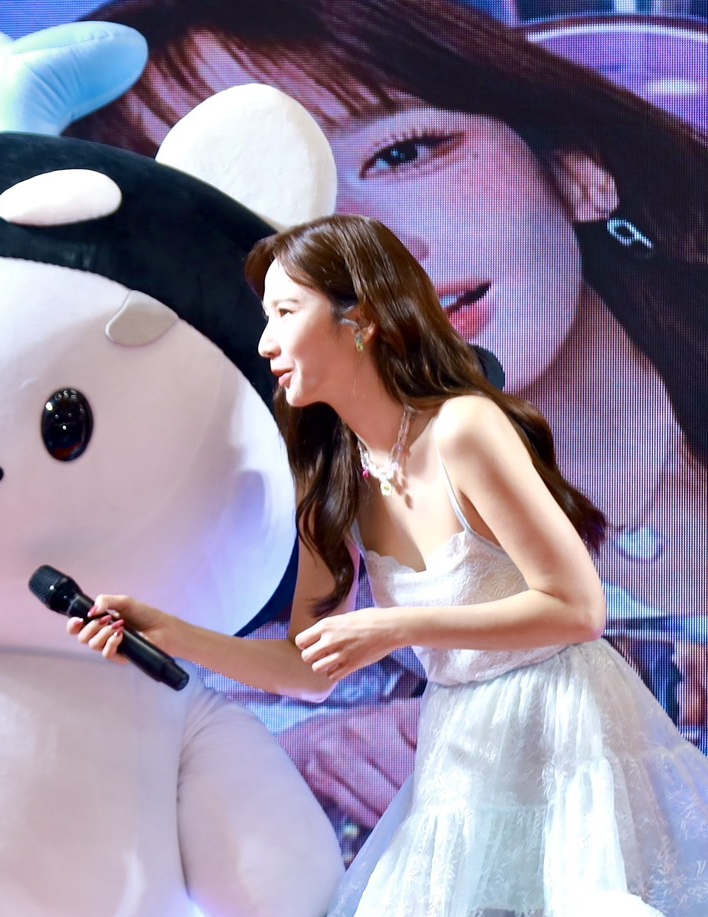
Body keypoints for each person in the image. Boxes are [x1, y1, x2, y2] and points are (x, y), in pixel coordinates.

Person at [70, 0, 708, 835]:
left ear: (576, 166)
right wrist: (273, 747)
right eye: (269, 219)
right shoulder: (314, 507)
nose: (378, 257)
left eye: (404, 152)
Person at [69, 213, 708, 917]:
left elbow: (576, 607)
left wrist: (395, 624)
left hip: (561, 727)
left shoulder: (464, 428)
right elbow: (309, 668)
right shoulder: (334, 475)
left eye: (284, 312)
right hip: (461, 754)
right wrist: (169, 631)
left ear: (360, 318)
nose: (264, 341)